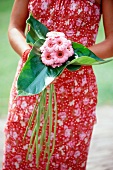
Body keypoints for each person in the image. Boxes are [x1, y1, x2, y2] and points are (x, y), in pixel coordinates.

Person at [2, 0, 113, 170]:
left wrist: (71, 56)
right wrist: (29, 54)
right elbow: (14, 27)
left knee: (66, 158)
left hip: (76, 90)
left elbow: (112, 41)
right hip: (32, 80)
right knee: (21, 153)